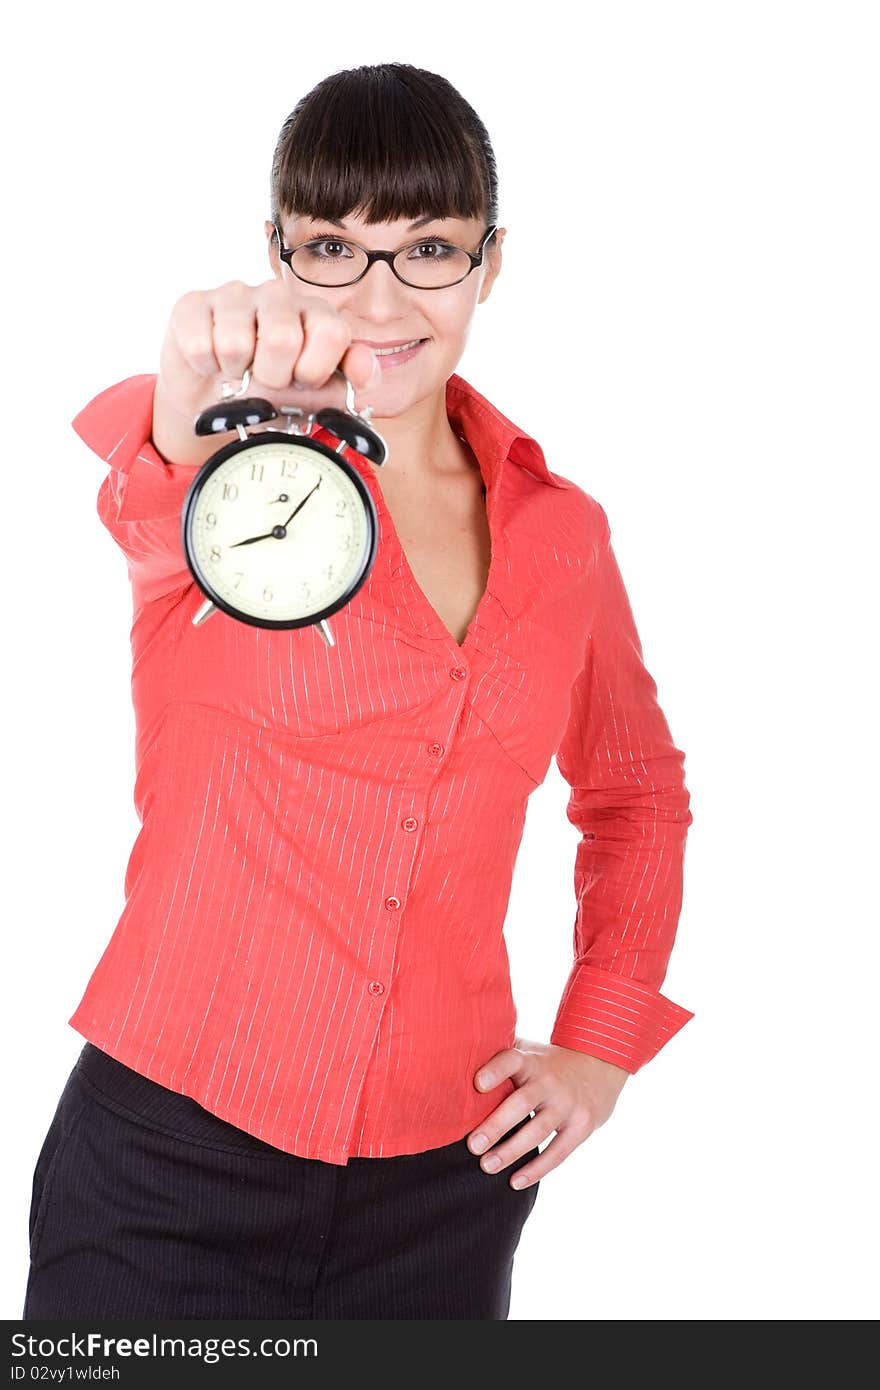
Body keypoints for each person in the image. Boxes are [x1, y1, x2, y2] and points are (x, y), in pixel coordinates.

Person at [22, 61, 694, 1321]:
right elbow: (146, 504)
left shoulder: (562, 537)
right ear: (277, 254)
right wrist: (191, 390)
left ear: (492, 261)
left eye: (429, 247)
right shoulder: (229, 474)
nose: (381, 296)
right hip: (169, 1165)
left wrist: (599, 1044)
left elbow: (636, 793)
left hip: (448, 1185)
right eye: (333, 245)